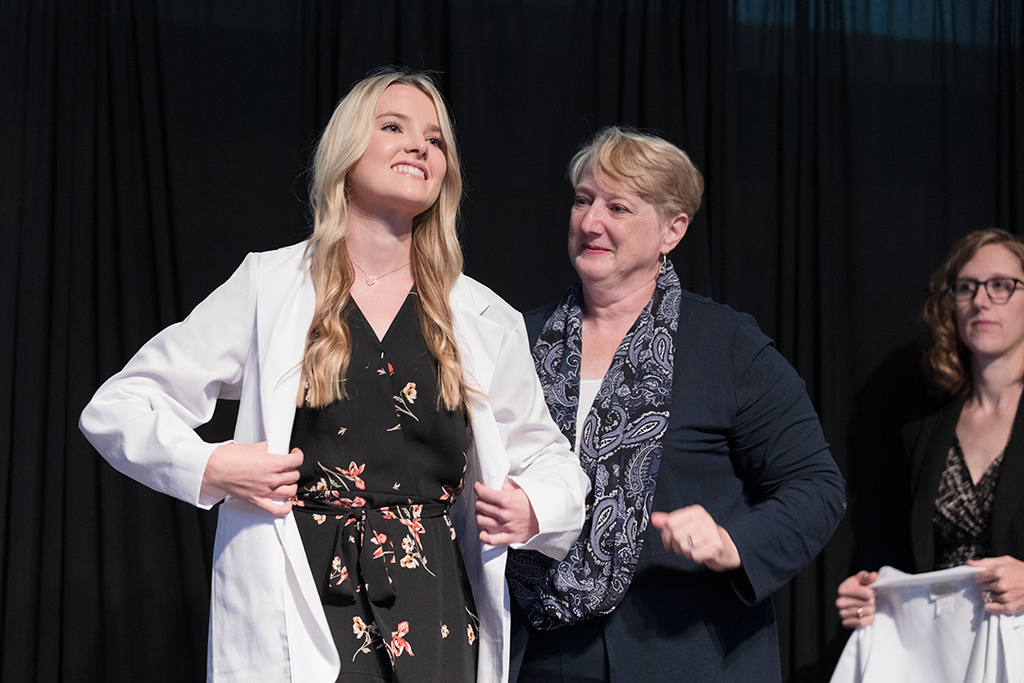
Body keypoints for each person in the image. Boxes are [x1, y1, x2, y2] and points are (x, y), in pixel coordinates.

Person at [79, 68, 589, 683]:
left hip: (433, 610)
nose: (418, 146)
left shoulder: (481, 316)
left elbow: (552, 461)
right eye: (393, 126)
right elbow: (120, 405)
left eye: (434, 138)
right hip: (302, 595)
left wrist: (533, 508)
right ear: (347, 150)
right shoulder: (271, 287)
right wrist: (210, 467)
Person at [504, 126, 846, 683]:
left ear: (672, 229)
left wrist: (734, 541)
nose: (591, 222)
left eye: (618, 206)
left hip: (686, 652)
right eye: (583, 200)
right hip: (541, 656)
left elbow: (817, 487)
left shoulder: (727, 343)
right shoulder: (518, 338)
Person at [837, 228, 1024, 629]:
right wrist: (875, 594)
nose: (980, 301)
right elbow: (906, 556)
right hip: (943, 645)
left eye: (1001, 286)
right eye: (966, 287)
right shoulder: (924, 425)